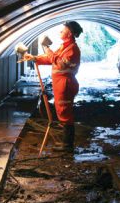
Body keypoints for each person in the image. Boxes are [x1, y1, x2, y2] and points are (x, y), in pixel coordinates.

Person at [24, 21, 83, 152]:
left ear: (69, 33)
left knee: (65, 113)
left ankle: (67, 145)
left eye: (62, 30)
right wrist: (35, 58)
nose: (59, 32)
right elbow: (51, 59)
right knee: (62, 111)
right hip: (61, 84)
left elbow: (60, 63)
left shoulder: (72, 49)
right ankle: (65, 143)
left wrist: (46, 48)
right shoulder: (64, 47)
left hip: (65, 84)